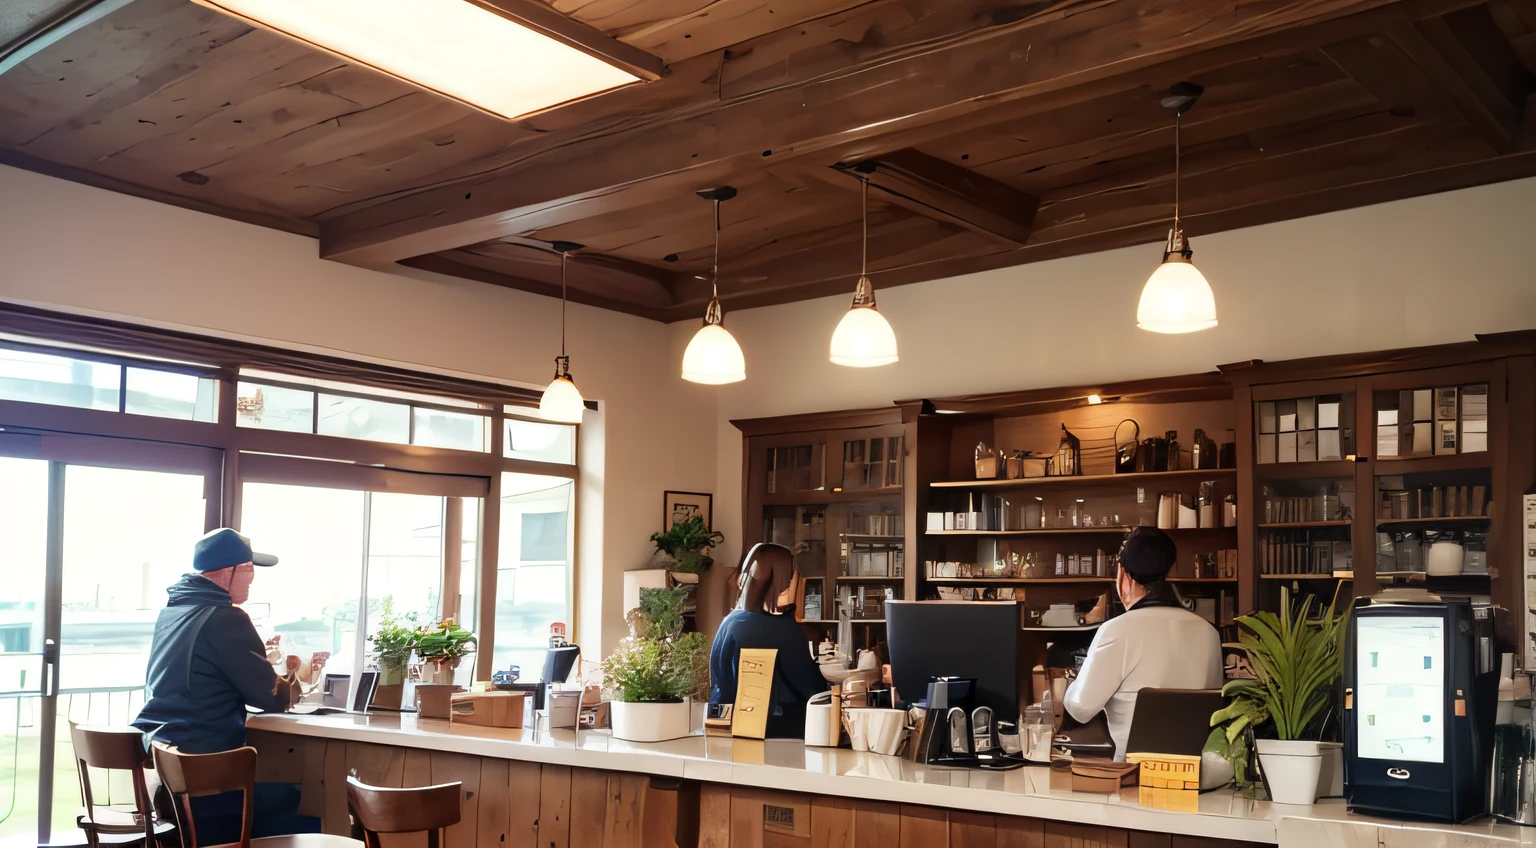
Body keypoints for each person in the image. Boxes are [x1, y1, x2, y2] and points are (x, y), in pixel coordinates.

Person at [133, 528, 317, 843]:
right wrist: (299, 678)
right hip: (205, 782)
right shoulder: (225, 618)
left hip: (166, 776)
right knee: (309, 804)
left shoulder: (172, 613)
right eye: (249, 568)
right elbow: (270, 696)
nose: (252, 577)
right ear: (229, 571)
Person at [1063, 526, 1223, 760]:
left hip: (1133, 777)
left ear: (1123, 575)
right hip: (1195, 775)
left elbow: (1081, 708)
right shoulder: (1208, 632)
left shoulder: (1118, 630)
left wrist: (1073, 682)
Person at [709, 543, 828, 738]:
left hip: (729, 722)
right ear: (782, 581)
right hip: (777, 728)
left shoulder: (731, 621)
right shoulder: (779, 628)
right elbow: (808, 686)